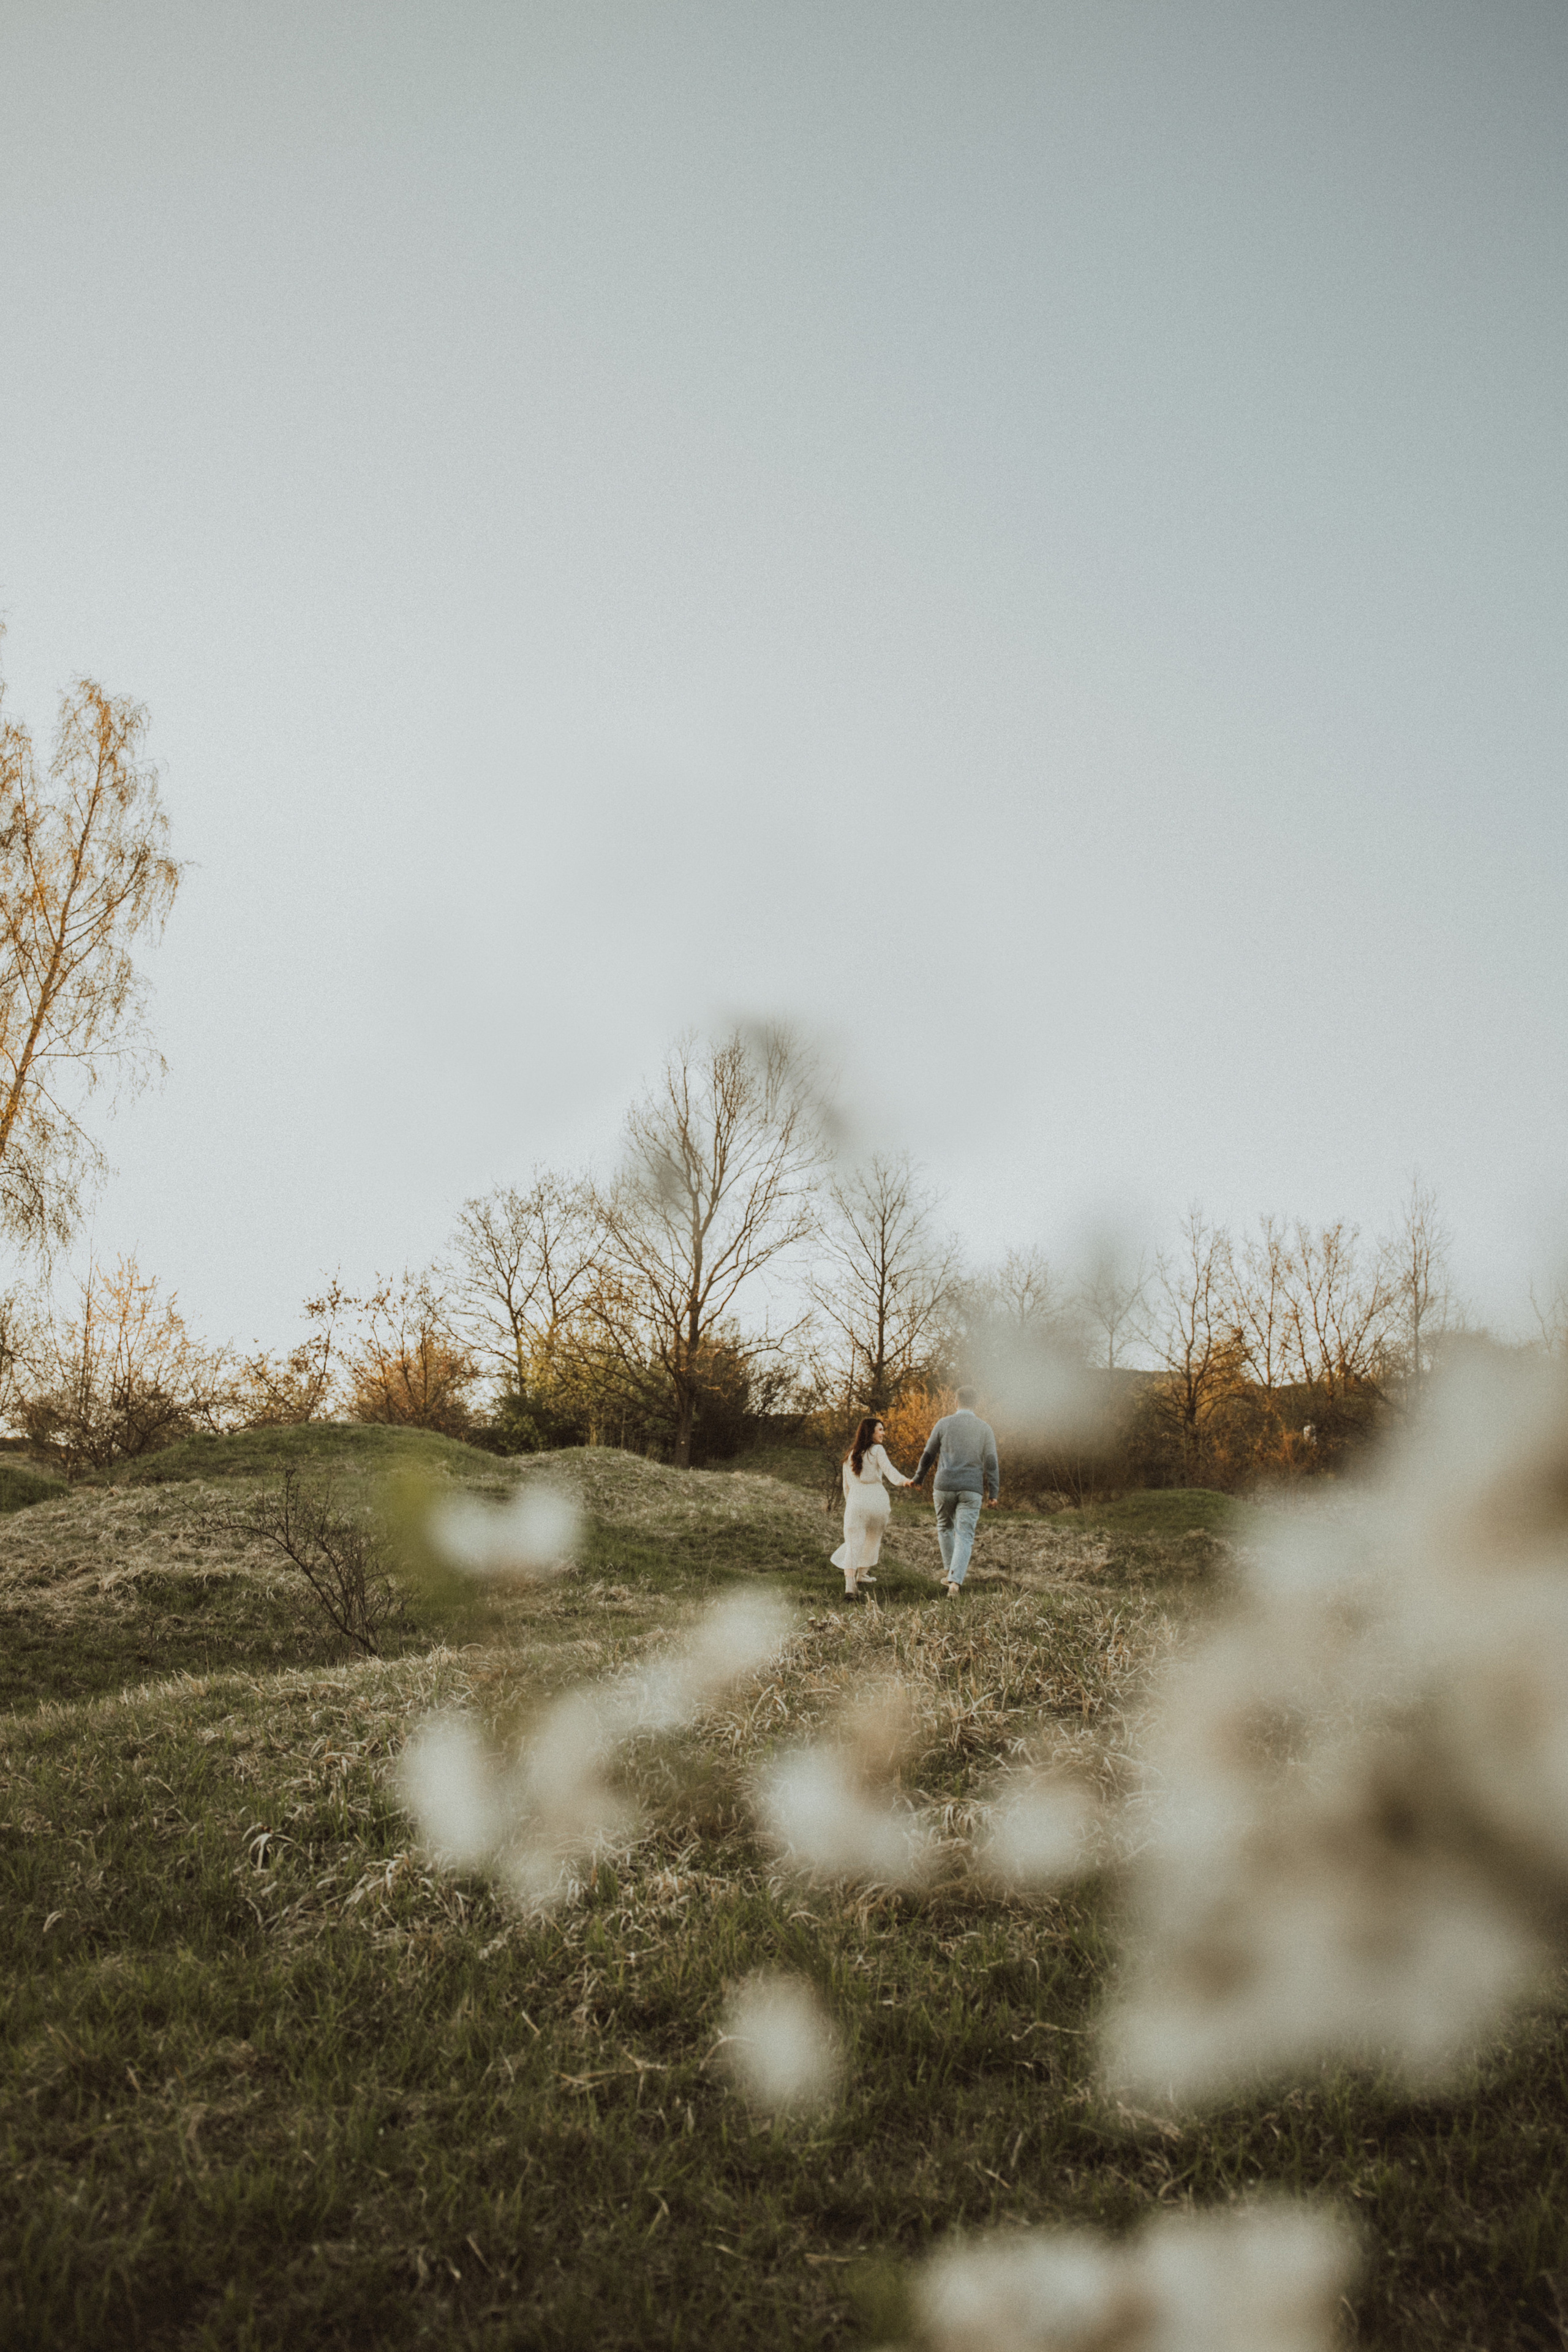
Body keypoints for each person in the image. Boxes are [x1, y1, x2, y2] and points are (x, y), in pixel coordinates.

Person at [913, 1386, 999, 1598]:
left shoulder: (943, 1424)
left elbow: (928, 1455)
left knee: (944, 1527)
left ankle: (950, 1573)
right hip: (972, 1489)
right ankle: (954, 1583)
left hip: (944, 1486)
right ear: (975, 1403)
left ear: (956, 1402)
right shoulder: (985, 1428)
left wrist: (919, 1478)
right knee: (965, 1535)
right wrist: (994, 1492)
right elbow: (991, 1462)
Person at [832, 1414, 913, 1599]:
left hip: (856, 1501)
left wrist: (851, 1506)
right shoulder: (877, 1450)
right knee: (873, 1539)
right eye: (880, 1430)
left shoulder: (849, 1456)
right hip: (877, 1501)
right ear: (871, 1433)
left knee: (854, 1543)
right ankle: (863, 1574)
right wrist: (906, 1482)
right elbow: (890, 1472)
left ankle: (850, 1586)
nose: (884, 1433)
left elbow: (846, 1487)